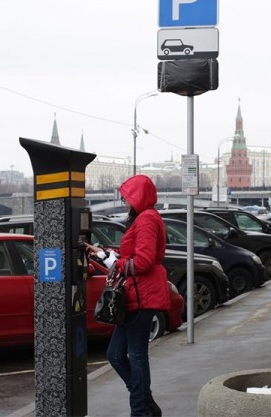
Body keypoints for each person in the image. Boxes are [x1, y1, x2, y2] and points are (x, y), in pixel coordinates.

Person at [87, 174, 170, 417]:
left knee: (136, 355)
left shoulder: (146, 219)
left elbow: (143, 261)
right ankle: (144, 398)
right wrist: (102, 253)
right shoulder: (144, 218)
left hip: (141, 295)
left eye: (127, 198)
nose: (124, 202)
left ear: (138, 197)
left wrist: (116, 262)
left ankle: (141, 410)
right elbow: (133, 254)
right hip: (135, 294)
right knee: (115, 355)